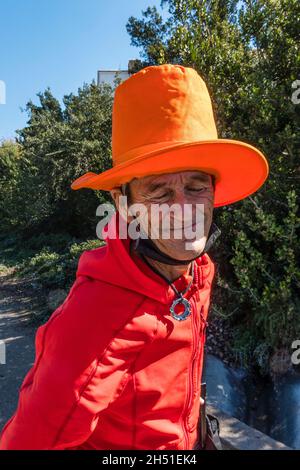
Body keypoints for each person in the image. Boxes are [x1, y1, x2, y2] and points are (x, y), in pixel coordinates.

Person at [0, 64, 269, 450]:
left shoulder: (193, 273)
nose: (184, 210)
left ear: (213, 192)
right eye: (159, 193)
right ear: (123, 205)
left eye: (196, 186)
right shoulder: (93, 319)